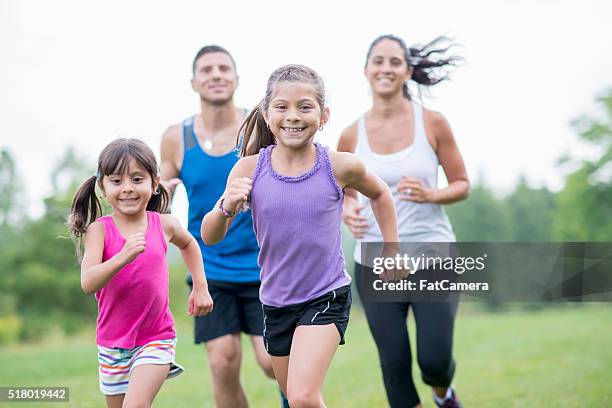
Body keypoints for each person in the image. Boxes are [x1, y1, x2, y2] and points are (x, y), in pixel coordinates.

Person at [201, 64, 399, 408]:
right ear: (266, 114)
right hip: (276, 304)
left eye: (305, 107)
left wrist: (392, 249)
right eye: (282, 107)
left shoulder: (339, 166)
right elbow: (210, 235)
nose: (293, 116)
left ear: (324, 115)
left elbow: (381, 194)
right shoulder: (249, 169)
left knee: (303, 396)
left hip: (326, 294)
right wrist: (226, 207)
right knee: (298, 400)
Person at [338, 34, 469, 408]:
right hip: (375, 263)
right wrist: (348, 210)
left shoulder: (433, 124)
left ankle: (445, 394)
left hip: (433, 256)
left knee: (434, 362)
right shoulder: (350, 134)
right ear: (366, 70)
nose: (386, 68)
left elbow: (462, 184)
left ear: (407, 71)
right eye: (378, 61)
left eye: (395, 62)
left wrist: (432, 194)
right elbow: (343, 190)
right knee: (394, 365)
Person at [160, 45, 288, 408]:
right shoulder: (176, 138)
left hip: (266, 264)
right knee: (222, 361)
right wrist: (160, 195)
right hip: (210, 267)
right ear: (194, 82)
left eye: (223, 68)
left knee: (270, 361)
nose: (215, 74)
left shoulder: (260, 124)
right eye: (206, 70)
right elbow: (159, 198)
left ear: (235, 79)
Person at [68, 138, 214, 408]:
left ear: (154, 182)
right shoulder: (99, 231)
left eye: (137, 179)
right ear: (102, 186)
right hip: (112, 344)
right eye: (116, 181)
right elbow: (88, 282)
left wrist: (200, 285)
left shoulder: (165, 224)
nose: (127, 189)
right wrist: (122, 258)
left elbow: (190, 244)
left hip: (156, 338)